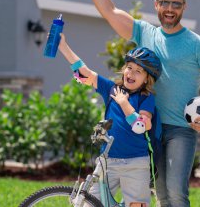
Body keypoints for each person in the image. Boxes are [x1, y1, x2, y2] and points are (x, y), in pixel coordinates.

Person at [79, 0, 200, 207]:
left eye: (176, 4)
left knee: (176, 191)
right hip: (150, 129)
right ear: (156, 4)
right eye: (165, 2)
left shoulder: (198, 45)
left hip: (182, 129)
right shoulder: (144, 33)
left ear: (184, 7)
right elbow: (109, 10)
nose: (170, 8)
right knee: (161, 194)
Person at [58, 33, 162, 207]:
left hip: (135, 163)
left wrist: (123, 103)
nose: (131, 73)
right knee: (89, 203)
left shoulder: (146, 97)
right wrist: (63, 46)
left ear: (146, 79)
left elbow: (141, 126)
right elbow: (85, 73)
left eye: (139, 71)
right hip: (108, 161)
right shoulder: (111, 89)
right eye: (129, 67)